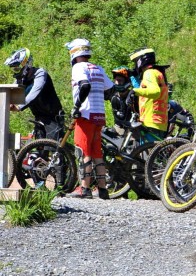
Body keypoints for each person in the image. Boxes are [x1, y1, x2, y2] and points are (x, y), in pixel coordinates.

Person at [64, 39, 114, 199]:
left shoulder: (79, 67)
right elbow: (111, 89)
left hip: (85, 114)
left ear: (74, 53)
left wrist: (77, 106)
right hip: (99, 114)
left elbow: (84, 86)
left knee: (82, 150)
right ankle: (103, 189)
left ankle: (84, 189)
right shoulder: (98, 68)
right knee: (96, 152)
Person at [4, 48, 65, 140]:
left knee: (54, 149)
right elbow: (11, 93)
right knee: (40, 150)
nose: (15, 71)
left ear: (26, 65)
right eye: (13, 69)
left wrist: (18, 107)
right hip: (39, 117)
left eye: (17, 68)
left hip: (53, 117)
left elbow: (34, 94)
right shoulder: (21, 79)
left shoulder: (40, 74)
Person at [129, 48, 169, 144]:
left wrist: (134, 91)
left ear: (140, 60)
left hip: (151, 120)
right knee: (156, 154)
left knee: (150, 156)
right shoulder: (158, 72)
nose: (135, 65)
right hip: (159, 120)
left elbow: (155, 92)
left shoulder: (149, 73)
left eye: (135, 62)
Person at [108, 66, 136, 132]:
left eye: (120, 80)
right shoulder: (113, 96)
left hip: (133, 130)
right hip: (118, 127)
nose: (117, 83)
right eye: (116, 80)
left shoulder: (134, 96)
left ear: (127, 81)